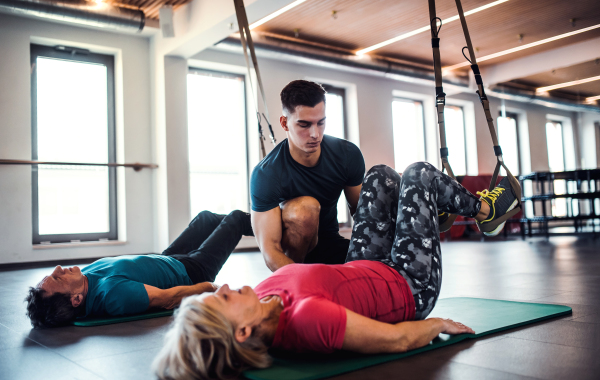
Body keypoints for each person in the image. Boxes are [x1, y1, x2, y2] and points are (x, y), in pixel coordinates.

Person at [152, 162, 519, 380]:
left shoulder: (262, 296)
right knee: (418, 174)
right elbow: (395, 341)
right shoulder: (307, 320)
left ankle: (427, 209)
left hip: (365, 264)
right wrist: (438, 325)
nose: (225, 287)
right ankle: (486, 214)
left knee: (379, 177)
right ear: (244, 330)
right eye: (222, 300)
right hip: (409, 284)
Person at [25, 210, 254, 328]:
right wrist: (207, 286)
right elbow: (167, 298)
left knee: (205, 218)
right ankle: (282, 230)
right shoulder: (113, 295)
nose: (58, 268)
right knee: (235, 219)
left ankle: (264, 226)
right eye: (58, 279)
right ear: (76, 299)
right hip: (191, 271)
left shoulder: (84, 279)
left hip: (168, 259)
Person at [251, 80, 365, 272]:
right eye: (304, 125)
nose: (315, 134)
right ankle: (293, 282)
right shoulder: (267, 173)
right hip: (291, 257)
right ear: (284, 123)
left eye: (321, 122)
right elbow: (271, 252)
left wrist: (370, 260)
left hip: (330, 243)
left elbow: (362, 216)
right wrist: (303, 280)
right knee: (306, 209)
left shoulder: (347, 155)